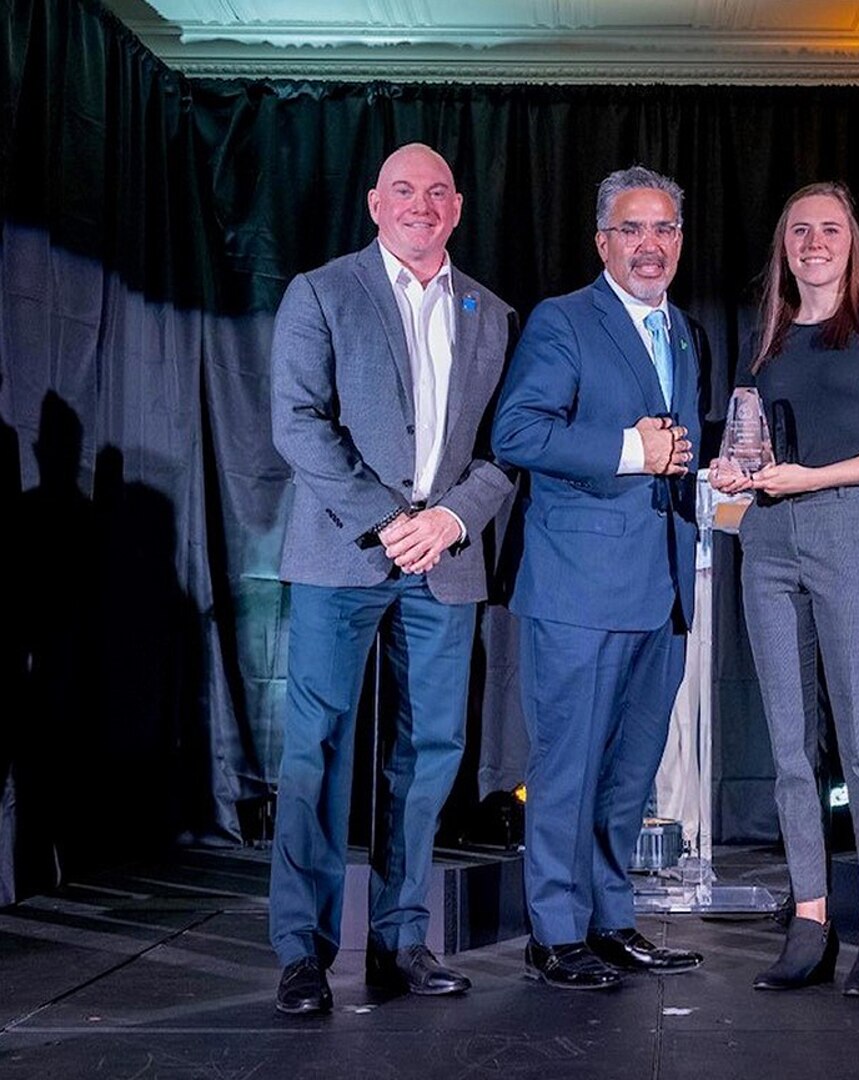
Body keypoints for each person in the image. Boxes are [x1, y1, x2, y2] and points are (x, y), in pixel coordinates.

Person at [268, 142, 517, 1015]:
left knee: (428, 755)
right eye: (404, 191)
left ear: (457, 208)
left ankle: (402, 942)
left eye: (438, 192)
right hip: (345, 552)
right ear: (376, 203)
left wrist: (450, 518)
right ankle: (303, 953)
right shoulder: (323, 292)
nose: (422, 204)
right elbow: (298, 424)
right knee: (318, 750)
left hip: (444, 561)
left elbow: (504, 447)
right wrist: (387, 518)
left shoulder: (493, 312)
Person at [709, 181, 859, 996]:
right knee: (787, 742)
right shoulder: (766, 338)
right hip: (767, 536)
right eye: (800, 229)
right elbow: (749, 440)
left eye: (829, 228)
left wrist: (817, 477)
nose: (814, 241)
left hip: (849, 525)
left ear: (852, 240)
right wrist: (734, 473)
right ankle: (810, 915)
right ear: (784, 244)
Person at [492, 165, 706, 990]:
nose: (649, 247)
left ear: (679, 241)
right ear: (602, 242)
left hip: (661, 589)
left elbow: (677, 455)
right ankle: (554, 932)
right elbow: (517, 431)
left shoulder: (682, 330)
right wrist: (630, 449)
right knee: (567, 768)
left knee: (629, 771)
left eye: (663, 230)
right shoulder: (563, 321)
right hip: (578, 590)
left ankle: (611, 920)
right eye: (632, 230)